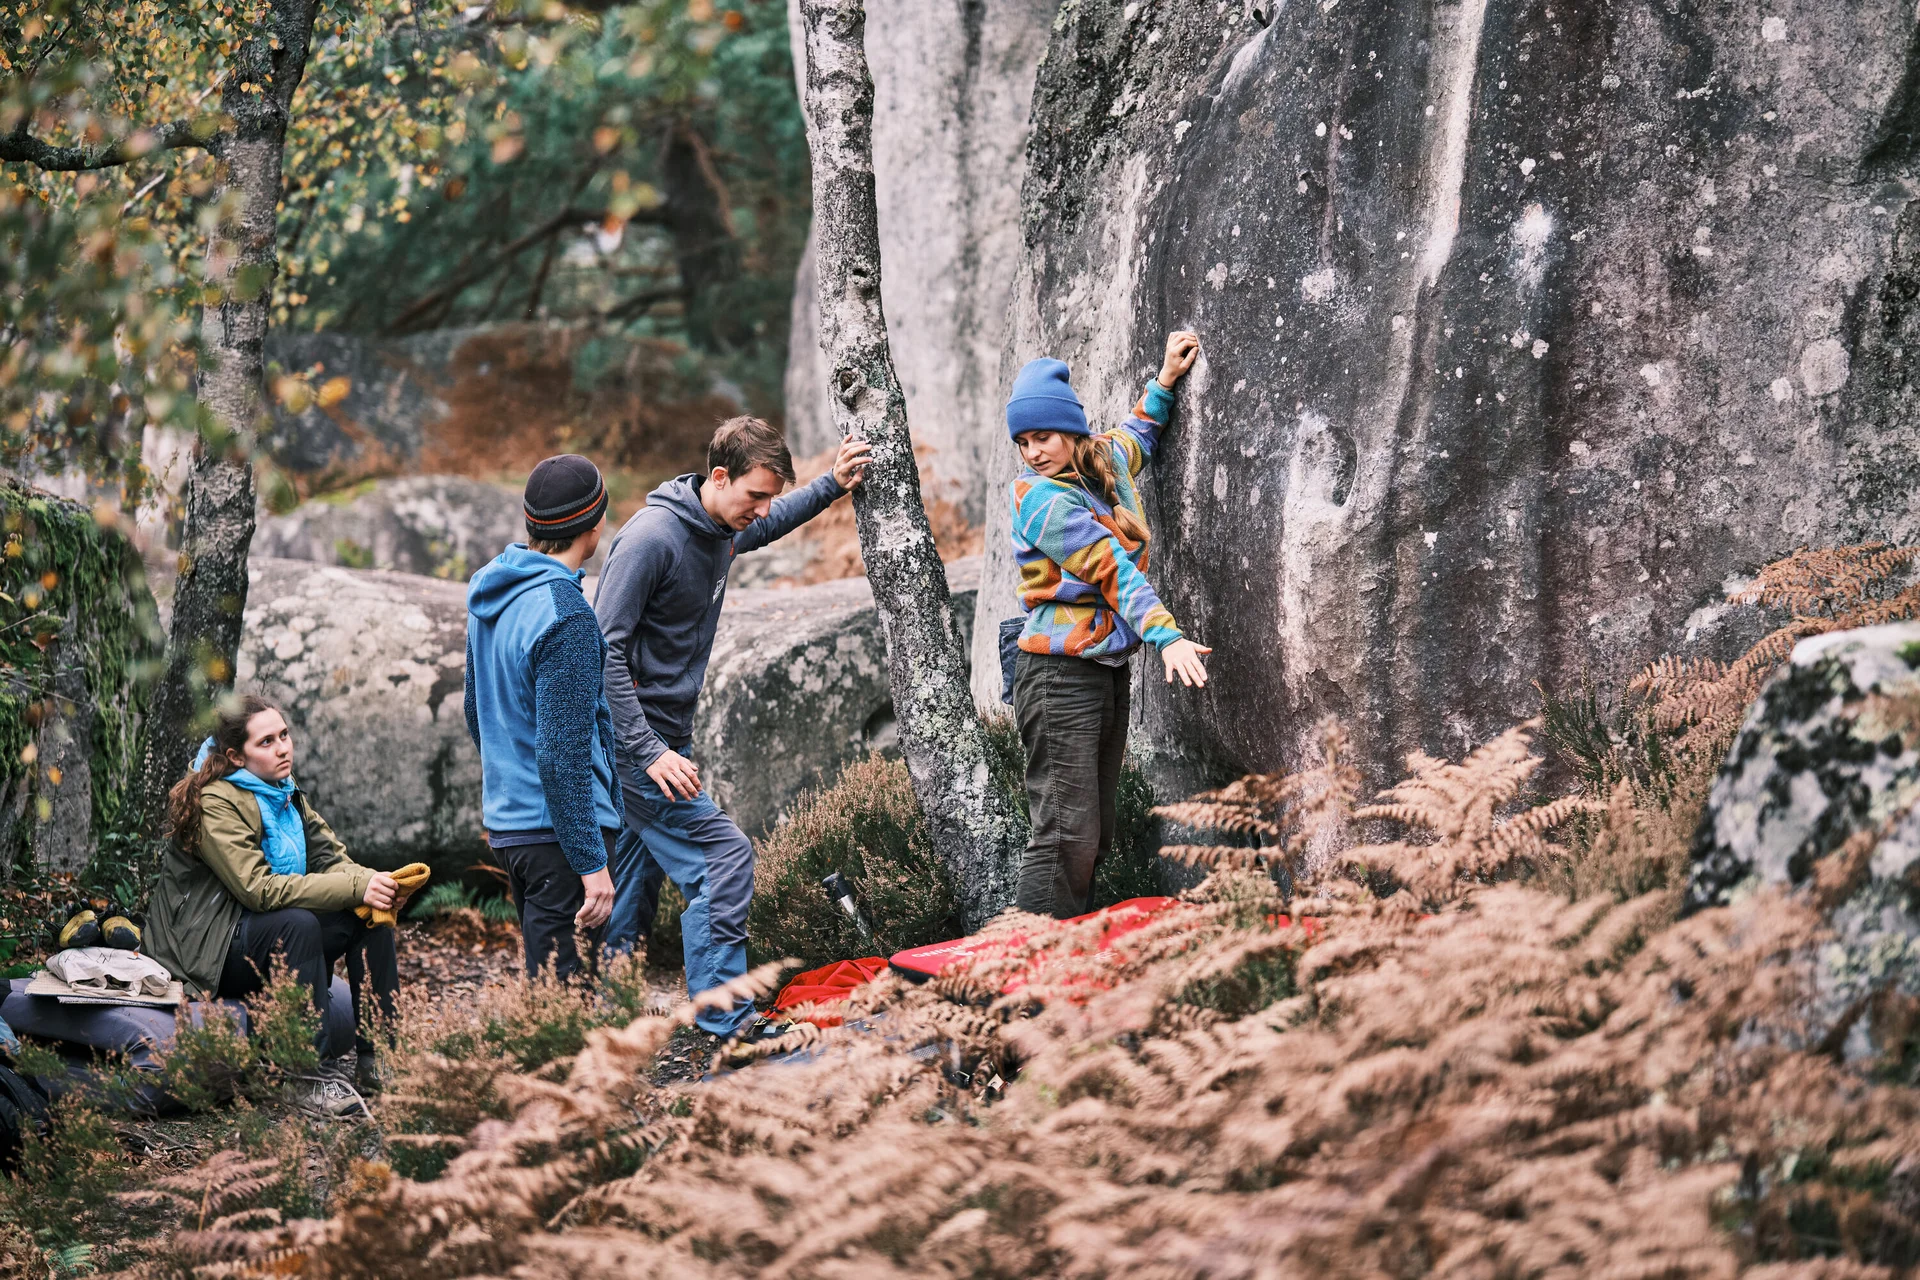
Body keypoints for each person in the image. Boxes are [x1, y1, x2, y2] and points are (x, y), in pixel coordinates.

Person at [595, 417, 870, 1040]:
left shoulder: (718, 526)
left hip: (666, 740)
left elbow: (767, 525)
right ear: (718, 477)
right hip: (639, 746)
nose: (763, 508)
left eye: (771, 494)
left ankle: (613, 1007)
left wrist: (832, 484)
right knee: (723, 855)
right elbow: (602, 649)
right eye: (755, 494)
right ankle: (728, 1023)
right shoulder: (653, 539)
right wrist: (646, 752)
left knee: (637, 874)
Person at [1006, 331, 1209, 918]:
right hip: (1056, 675)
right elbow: (1109, 568)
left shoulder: (1103, 461)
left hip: (1103, 670)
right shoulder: (1039, 499)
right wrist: (1165, 634)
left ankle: (1063, 962)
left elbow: (1138, 432)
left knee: (1092, 836)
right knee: (1064, 835)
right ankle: (1024, 975)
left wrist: (1166, 379)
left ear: (1072, 431)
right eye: (1023, 442)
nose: (1033, 452)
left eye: (1042, 437)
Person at [146, 694, 406, 1115]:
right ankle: (304, 1078)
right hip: (206, 949)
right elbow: (259, 890)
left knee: (372, 915)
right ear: (235, 756)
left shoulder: (284, 792)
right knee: (297, 923)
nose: (283, 748)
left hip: (257, 933)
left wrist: (373, 885)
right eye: (266, 742)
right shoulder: (215, 802)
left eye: (284, 735)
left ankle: (379, 1061)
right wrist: (353, 888)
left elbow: (332, 859)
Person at [464, 454, 623, 981]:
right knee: (565, 1005)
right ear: (595, 523)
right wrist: (591, 864)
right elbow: (561, 755)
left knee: (548, 990)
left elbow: (475, 711)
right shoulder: (566, 614)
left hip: (511, 831)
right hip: (561, 840)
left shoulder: (490, 592)